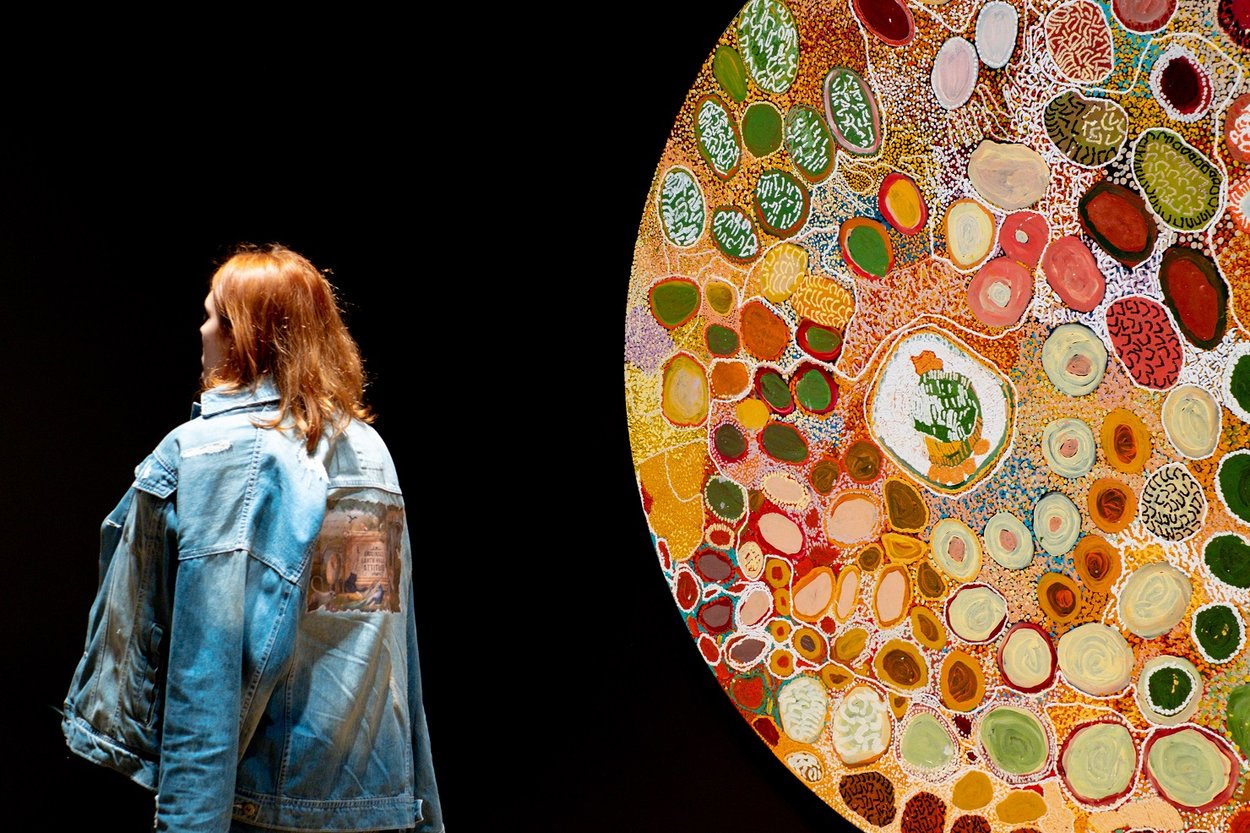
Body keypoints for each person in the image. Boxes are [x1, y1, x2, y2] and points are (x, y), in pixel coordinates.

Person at [61, 244, 444, 833]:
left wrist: (191, 821)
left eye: (214, 315)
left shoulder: (214, 455)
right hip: (368, 807)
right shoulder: (369, 454)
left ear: (247, 337)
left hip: (260, 810)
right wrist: (422, 814)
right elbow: (388, 663)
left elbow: (208, 674)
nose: (202, 329)